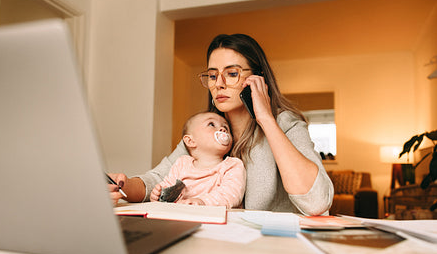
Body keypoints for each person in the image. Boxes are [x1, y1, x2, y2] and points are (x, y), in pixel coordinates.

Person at [108, 33, 334, 216]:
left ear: (258, 77)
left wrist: (265, 118)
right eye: (213, 76)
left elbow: (316, 202)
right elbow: (158, 179)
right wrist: (123, 185)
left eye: (232, 73)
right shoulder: (206, 129)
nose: (220, 84)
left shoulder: (286, 124)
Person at [149, 111, 245, 208]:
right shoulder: (182, 163)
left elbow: (230, 195)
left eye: (226, 128)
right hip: (182, 217)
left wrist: (202, 202)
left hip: (215, 219)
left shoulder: (232, 165)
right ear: (190, 141)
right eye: (211, 124)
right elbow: (168, 186)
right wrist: (159, 194)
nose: (222, 129)